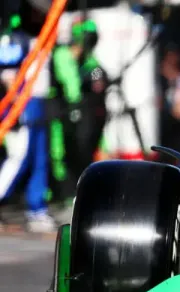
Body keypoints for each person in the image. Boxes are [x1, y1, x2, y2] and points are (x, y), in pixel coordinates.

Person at [49, 18, 109, 223]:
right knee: (60, 156)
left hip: (85, 118)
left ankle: (78, 198)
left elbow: (96, 85)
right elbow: (71, 88)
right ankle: (65, 197)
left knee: (84, 155)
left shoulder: (92, 63)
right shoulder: (62, 55)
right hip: (61, 115)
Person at [0, 22, 55, 232]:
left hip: (40, 103)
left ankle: (37, 209)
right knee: (18, 157)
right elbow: (7, 73)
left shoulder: (46, 36)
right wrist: (14, 104)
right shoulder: (15, 38)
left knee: (40, 159)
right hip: (22, 104)